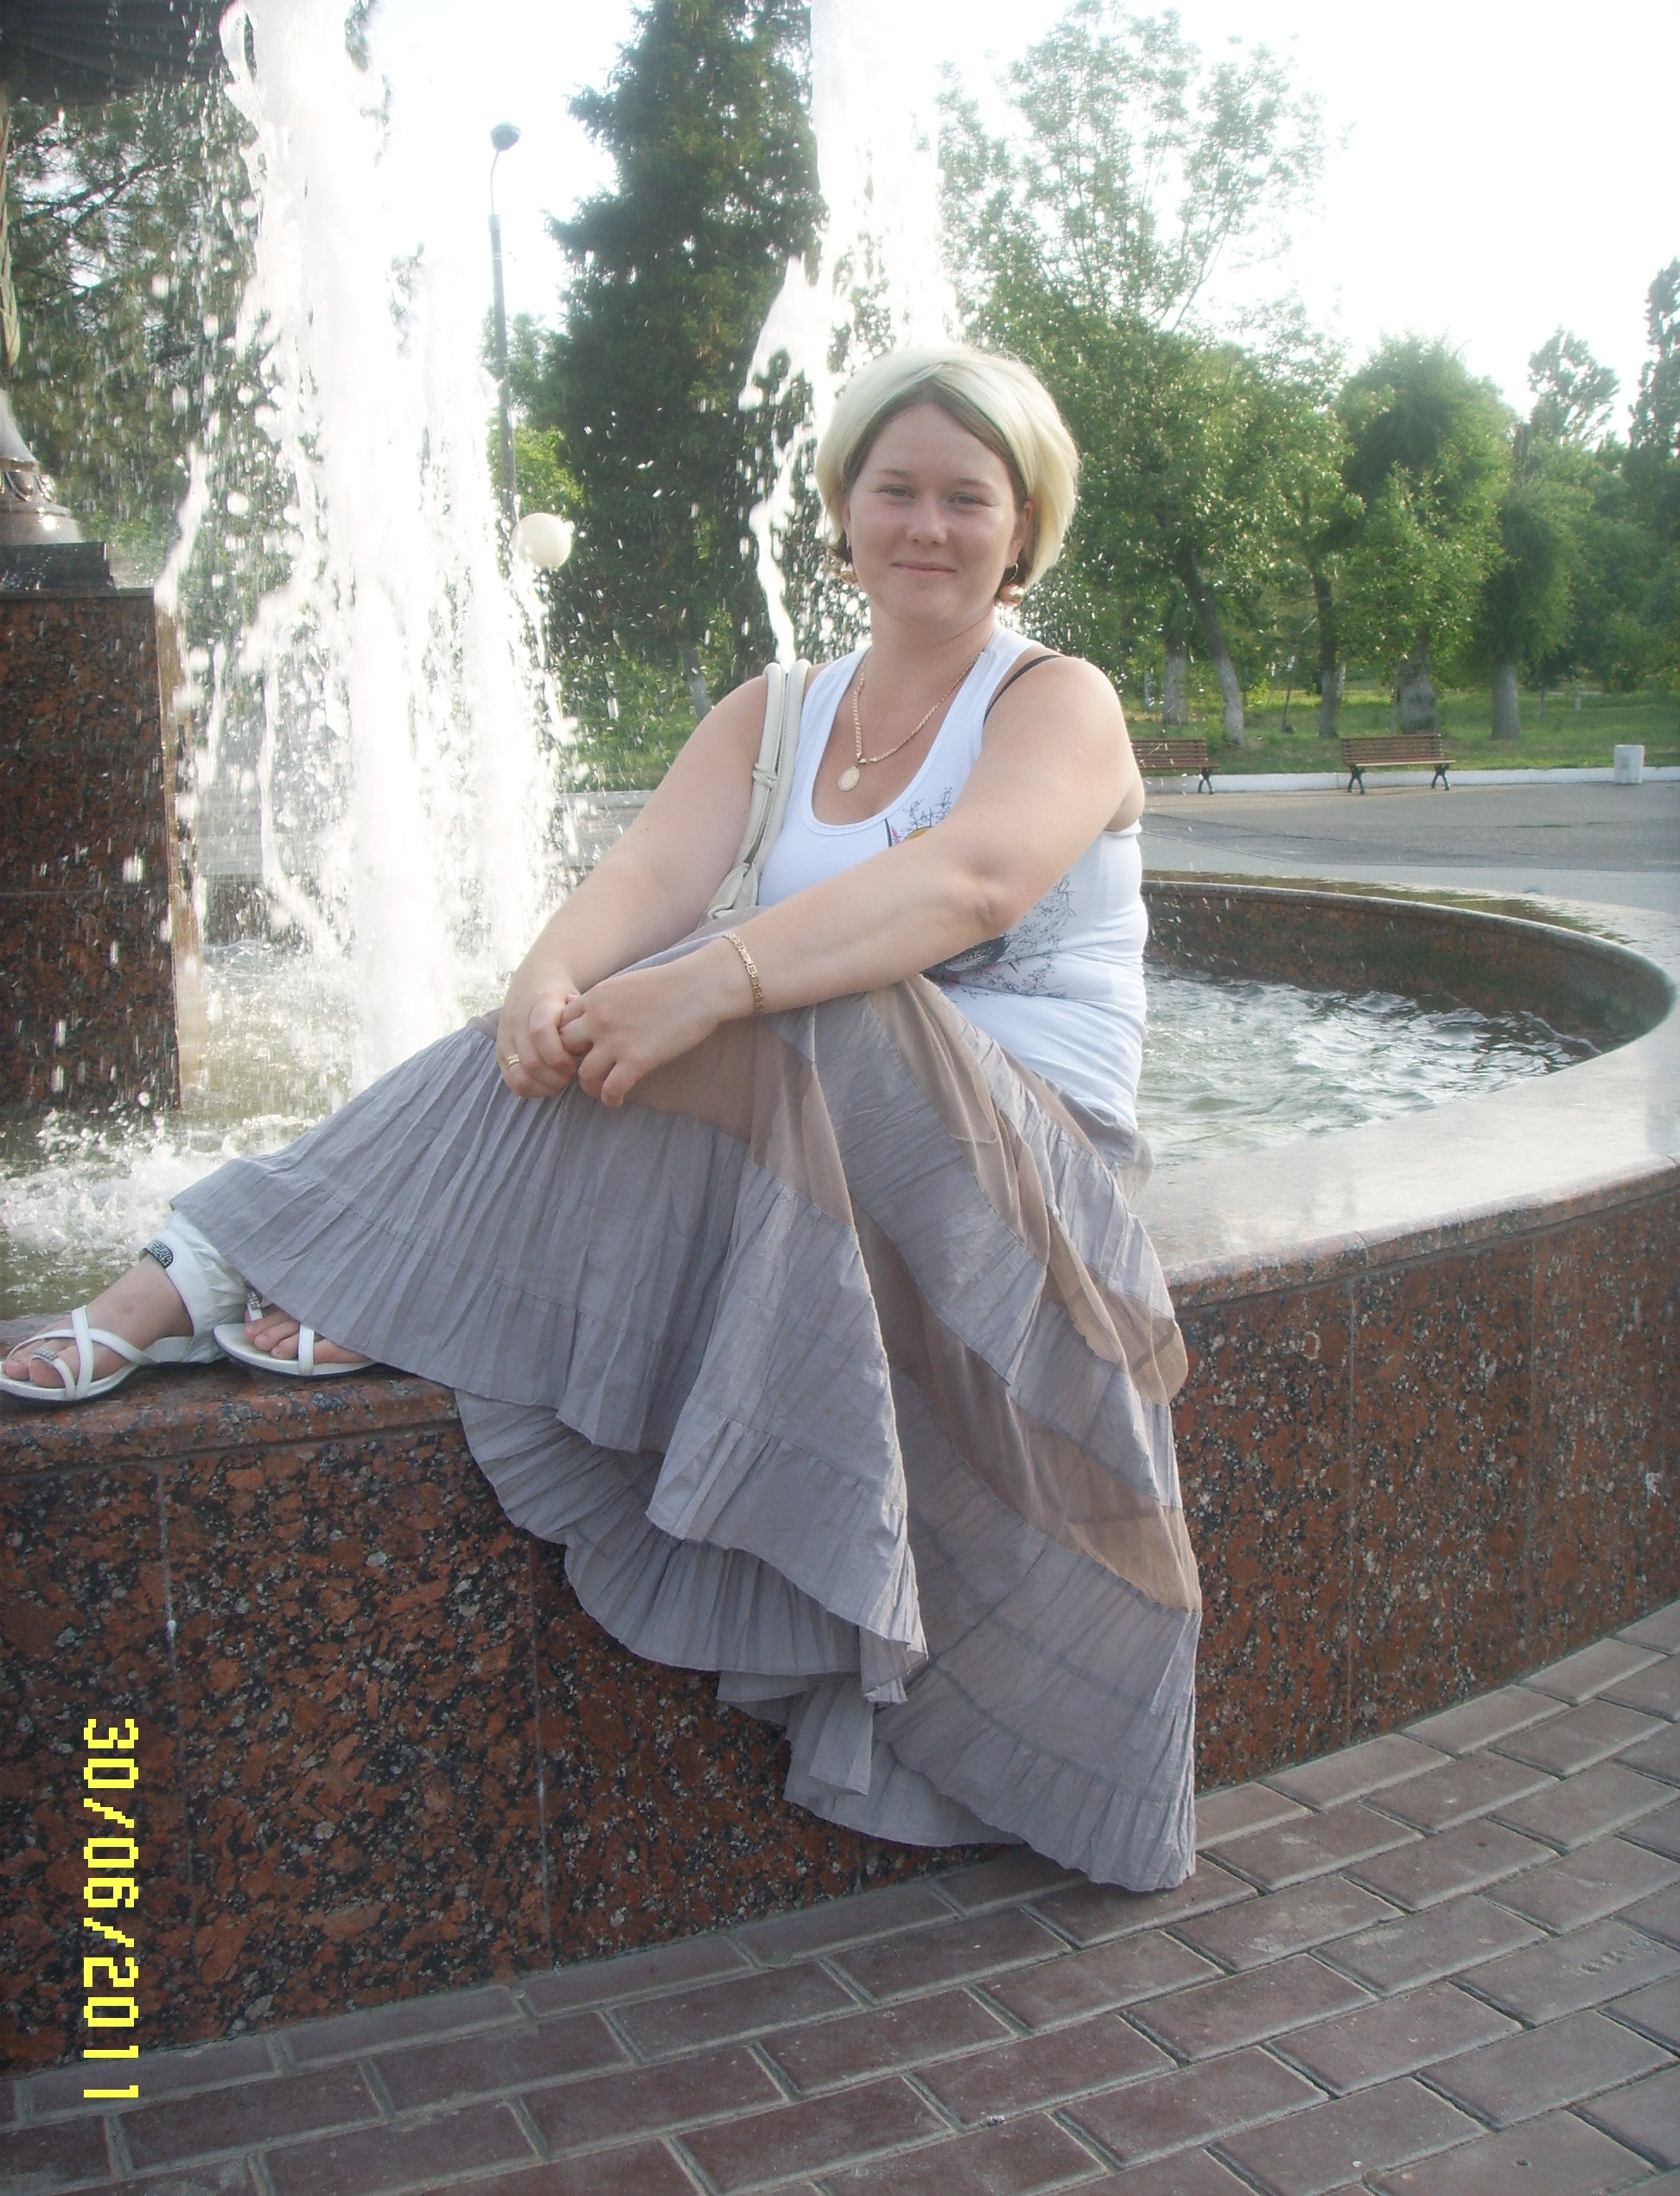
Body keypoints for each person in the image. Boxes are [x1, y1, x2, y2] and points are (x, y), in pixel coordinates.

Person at [3, 345, 1200, 1888]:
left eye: (967, 498)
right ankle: (209, 1269)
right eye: (894, 489)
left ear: (1023, 524)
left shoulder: (1057, 701)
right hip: (830, 1141)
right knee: (625, 1008)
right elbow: (642, 874)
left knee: (804, 996)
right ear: (842, 510)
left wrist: (712, 979)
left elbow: (971, 885)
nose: (927, 525)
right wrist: (547, 981)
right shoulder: (782, 709)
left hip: (1031, 1172)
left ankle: (260, 1271)